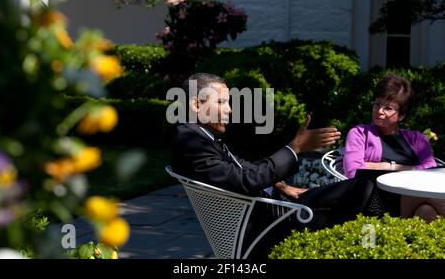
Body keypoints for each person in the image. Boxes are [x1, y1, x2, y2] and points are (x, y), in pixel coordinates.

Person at [171, 73, 374, 257]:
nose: (230, 110)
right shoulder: (192, 143)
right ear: (196, 105)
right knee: (362, 199)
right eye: (222, 102)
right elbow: (245, 181)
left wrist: (282, 185)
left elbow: (239, 168)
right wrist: (295, 148)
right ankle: (374, 245)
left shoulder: (198, 136)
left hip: (273, 209)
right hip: (269, 227)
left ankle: (374, 242)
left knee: (363, 185)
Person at [343, 74, 437, 217]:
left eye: (387, 108)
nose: (379, 111)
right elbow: (354, 172)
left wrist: (388, 166)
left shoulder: (418, 139)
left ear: (401, 115)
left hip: (411, 196)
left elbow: (432, 169)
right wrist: (411, 169)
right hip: (377, 200)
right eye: (377, 104)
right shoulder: (359, 134)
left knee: (427, 211)